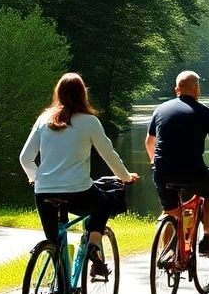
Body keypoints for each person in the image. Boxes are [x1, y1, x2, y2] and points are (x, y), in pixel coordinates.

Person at [20, 72, 138, 277]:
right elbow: (108, 154)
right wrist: (126, 177)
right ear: (83, 94)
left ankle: (57, 288)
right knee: (103, 207)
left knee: (55, 243)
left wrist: (35, 177)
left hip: (44, 192)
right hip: (78, 191)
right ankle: (93, 247)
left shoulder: (43, 120)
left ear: (58, 93)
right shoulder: (89, 122)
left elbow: (25, 158)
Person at [145, 70, 209, 256]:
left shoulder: (160, 110)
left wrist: (155, 162)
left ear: (176, 89)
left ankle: (167, 255)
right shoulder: (203, 111)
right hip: (192, 171)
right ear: (196, 89)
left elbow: (149, 141)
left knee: (171, 211)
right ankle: (206, 238)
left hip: (162, 172)